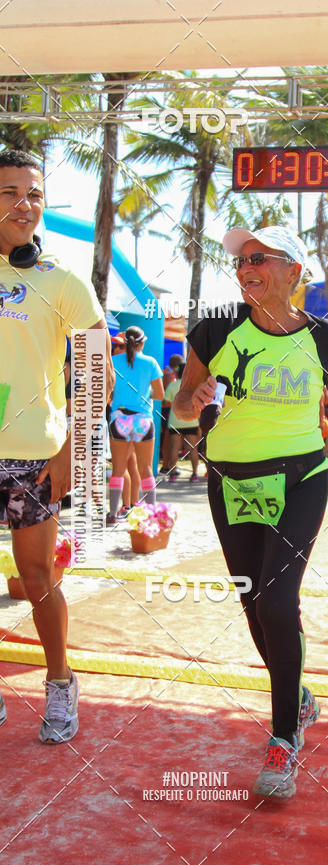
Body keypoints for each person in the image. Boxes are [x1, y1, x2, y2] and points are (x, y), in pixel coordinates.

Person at [173, 225, 328, 800]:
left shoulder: (321, 337)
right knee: (252, 602)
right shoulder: (215, 329)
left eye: (261, 258)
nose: (246, 266)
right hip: (230, 481)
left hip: (299, 481)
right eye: (241, 259)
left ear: (294, 271)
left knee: (278, 602)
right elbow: (182, 407)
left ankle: (284, 737)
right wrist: (195, 397)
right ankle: (300, 696)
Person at [0, 149, 114, 741]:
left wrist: (73, 442)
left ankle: (60, 683)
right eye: (10, 192)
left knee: (38, 575)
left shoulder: (61, 278)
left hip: (32, 456)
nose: (25, 204)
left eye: (34, 194)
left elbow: (98, 365)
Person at [107, 326, 164, 524]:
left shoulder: (113, 362)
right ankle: (152, 515)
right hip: (143, 420)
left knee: (118, 469)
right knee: (146, 468)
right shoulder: (151, 363)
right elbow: (160, 395)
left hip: (119, 419)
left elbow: (107, 392)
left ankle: (113, 514)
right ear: (141, 343)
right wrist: (143, 396)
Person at [164, 363, 200, 482]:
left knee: (174, 447)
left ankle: (172, 474)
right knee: (193, 449)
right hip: (192, 420)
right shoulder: (194, 386)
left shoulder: (172, 386)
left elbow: (166, 402)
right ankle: (195, 474)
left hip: (175, 421)